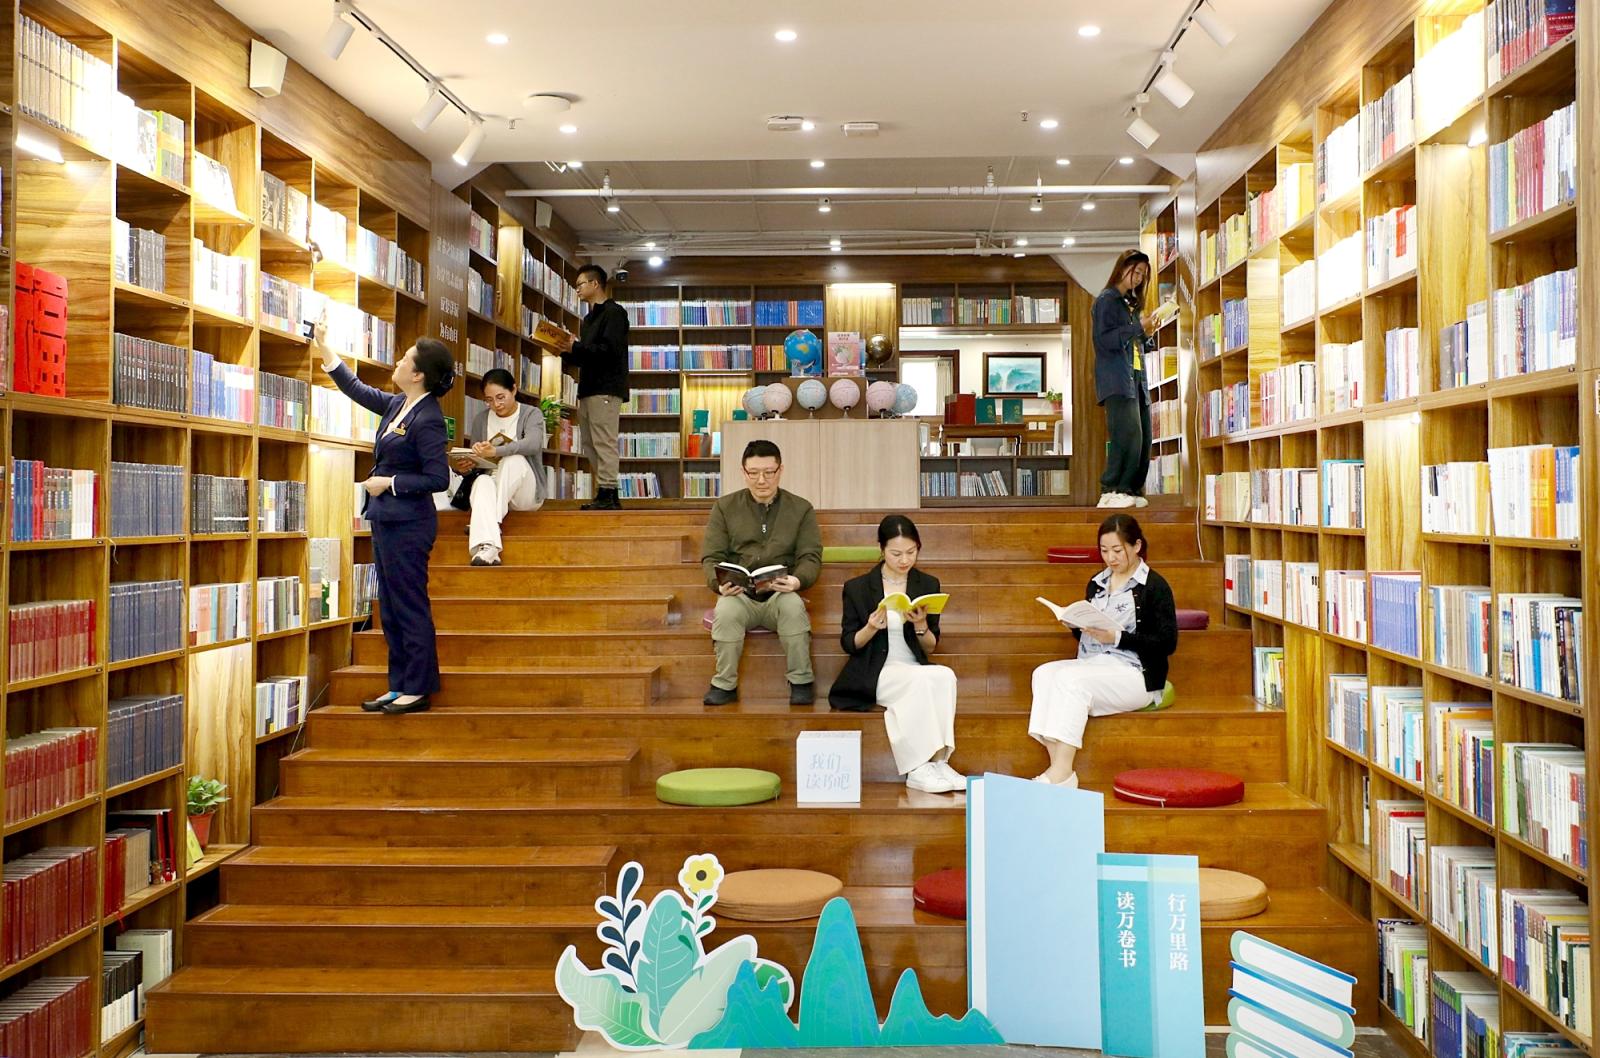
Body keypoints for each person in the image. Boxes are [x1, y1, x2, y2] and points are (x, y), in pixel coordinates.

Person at [315, 322, 453, 714]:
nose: (398, 362)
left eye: (405, 359)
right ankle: (399, 684)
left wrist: (389, 482)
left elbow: (438, 478)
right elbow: (358, 390)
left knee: (409, 604)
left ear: (418, 374)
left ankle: (418, 688)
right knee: (390, 608)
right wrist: (325, 348)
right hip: (386, 520)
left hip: (410, 524)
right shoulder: (398, 404)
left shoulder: (429, 418)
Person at [1027, 514, 1178, 787]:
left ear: (1136, 546)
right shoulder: (1097, 583)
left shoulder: (1155, 587)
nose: (1110, 558)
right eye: (1104, 550)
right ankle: (1058, 770)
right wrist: (1075, 624)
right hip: (1094, 666)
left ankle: (1061, 773)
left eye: (1117, 550)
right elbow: (1091, 632)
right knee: (1043, 674)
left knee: (1070, 680)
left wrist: (1117, 638)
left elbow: (1167, 643)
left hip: (1135, 673)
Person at [830, 515, 963, 794]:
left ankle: (940, 762)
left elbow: (930, 647)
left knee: (944, 676)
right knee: (918, 682)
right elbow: (849, 644)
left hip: (912, 665)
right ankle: (917, 767)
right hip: (875, 671)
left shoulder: (927, 584)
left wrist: (920, 625)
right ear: (881, 550)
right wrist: (870, 627)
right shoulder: (857, 588)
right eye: (896, 553)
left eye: (911, 552)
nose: (905, 560)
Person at [700, 440, 821, 706]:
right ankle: (724, 684)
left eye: (769, 472)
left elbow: (810, 556)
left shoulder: (800, 508)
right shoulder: (725, 507)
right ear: (743, 472)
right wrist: (719, 584)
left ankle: (801, 681)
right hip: (740, 594)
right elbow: (711, 557)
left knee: (793, 607)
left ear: (780, 470)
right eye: (753, 473)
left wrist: (797, 580)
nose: (761, 480)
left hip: (779, 592)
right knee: (725, 611)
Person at [451, 368, 547, 566]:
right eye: (489, 400)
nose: (496, 404)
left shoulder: (531, 413)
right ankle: (488, 549)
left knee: (513, 460)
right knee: (482, 480)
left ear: (514, 389)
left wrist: (496, 451)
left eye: (501, 397)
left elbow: (533, 444)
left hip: (524, 494)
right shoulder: (481, 419)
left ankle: (490, 521)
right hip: (493, 490)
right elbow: (479, 461)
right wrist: (469, 464)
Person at [552, 264, 629, 510]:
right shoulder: (588, 319)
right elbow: (587, 356)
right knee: (590, 443)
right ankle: (605, 492)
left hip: (606, 388)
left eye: (580, 284)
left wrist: (575, 347)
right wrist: (564, 351)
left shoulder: (614, 313)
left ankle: (608, 492)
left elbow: (609, 352)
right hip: (588, 388)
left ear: (595, 284)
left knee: (604, 441)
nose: (577, 289)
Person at [1093, 249, 1158, 509]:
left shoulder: (1129, 304)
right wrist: (1137, 327)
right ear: (1122, 269)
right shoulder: (1107, 300)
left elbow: (1135, 342)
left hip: (1136, 379)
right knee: (1127, 435)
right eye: (1136, 272)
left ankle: (1129, 489)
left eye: (1143, 275)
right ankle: (1112, 489)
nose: (1139, 278)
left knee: (1144, 438)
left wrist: (1146, 333)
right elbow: (1105, 340)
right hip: (1117, 381)